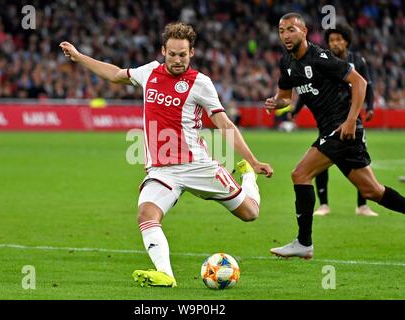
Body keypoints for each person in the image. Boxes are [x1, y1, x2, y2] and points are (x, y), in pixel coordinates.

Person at [60, 22, 273, 286]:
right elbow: (115, 74)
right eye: (172, 54)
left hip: (197, 166)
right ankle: (166, 275)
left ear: (191, 53)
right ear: (163, 50)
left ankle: (248, 176)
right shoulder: (148, 72)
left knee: (250, 213)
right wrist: (79, 57)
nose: (177, 59)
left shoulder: (201, 83)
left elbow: (224, 125)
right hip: (162, 170)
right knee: (146, 214)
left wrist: (252, 160)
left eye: (182, 54)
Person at [266, 13, 405, 259]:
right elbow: (286, 98)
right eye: (281, 31)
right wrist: (275, 103)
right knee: (373, 191)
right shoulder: (286, 63)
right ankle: (304, 243)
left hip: (342, 128)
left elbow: (359, 82)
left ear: (304, 31)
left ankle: (304, 242)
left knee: (300, 174)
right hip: (334, 131)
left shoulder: (320, 57)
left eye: (291, 30)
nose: (286, 35)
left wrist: (351, 121)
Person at [290, 23, 378, 217]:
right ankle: (324, 204)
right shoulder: (324, 61)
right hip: (329, 123)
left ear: (346, 40)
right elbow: (307, 90)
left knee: (369, 182)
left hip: (350, 120)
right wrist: (295, 109)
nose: (335, 43)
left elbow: (366, 85)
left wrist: (367, 109)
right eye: (331, 40)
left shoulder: (357, 61)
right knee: (317, 163)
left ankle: (362, 205)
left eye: (339, 39)